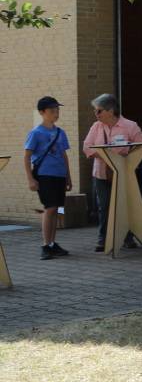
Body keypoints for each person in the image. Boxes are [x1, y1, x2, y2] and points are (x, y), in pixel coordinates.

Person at [83, 93, 142, 252]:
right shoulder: (96, 126)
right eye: (95, 111)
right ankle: (103, 238)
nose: (96, 114)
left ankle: (127, 237)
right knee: (103, 206)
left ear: (110, 110)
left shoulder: (130, 126)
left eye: (99, 111)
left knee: (124, 205)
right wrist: (106, 155)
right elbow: (87, 147)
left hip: (123, 174)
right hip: (101, 174)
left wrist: (127, 156)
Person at [23, 95, 72, 260]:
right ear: (42, 112)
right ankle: (45, 245)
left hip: (59, 175)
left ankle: (52, 244)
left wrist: (68, 177)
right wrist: (30, 179)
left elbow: (64, 156)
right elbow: (26, 156)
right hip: (44, 176)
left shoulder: (60, 132)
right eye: (52, 110)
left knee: (58, 209)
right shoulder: (36, 133)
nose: (56, 113)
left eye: (57, 110)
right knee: (50, 208)